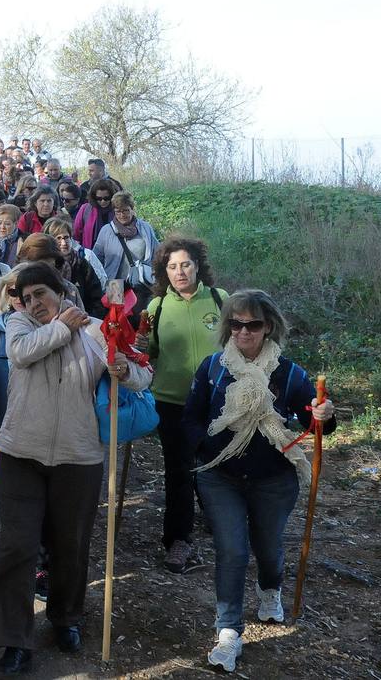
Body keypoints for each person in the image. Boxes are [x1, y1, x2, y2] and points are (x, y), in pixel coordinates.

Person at [0, 263, 152, 674]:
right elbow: (22, 355)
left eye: (40, 294)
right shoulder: (18, 326)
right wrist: (62, 325)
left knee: (71, 544)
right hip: (20, 453)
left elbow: (142, 374)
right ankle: (14, 640)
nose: (33, 303)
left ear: (59, 291)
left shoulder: (98, 330)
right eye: (26, 298)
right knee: (17, 546)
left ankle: (65, 617)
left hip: (79, 456)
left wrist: (124, 369)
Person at [183, 290, 336, 673]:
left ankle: (270, 589)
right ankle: (228, 631)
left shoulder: (289, 373)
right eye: (235, 324)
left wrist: (324, 414)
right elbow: (190, 418)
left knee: (267, 548)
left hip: (274, 479)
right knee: (232, 550)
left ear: (268, 327)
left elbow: (316, 422)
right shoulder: (213, 368)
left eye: (252, 324)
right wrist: (207, 446)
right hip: (221, 475)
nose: (243, 332)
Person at [132, 237, 229, 574]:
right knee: (179, 471)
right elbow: (147, 356)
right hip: (171, 402)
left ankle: (220, 518)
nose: (180, 272)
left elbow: (239, 345)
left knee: (217, 464)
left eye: (185, 264)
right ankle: (178, 540)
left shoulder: (220, 300)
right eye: (172, 266)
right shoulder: (156, 307)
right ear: (164, 271)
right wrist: (139, 345)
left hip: (218, 401)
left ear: (198, 265)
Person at [92, 191, 160, 311]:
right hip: (114, 284)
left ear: (132, 209)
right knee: (116, 317)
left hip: (140, 281)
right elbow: (96, 259)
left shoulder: (145, 228)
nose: (122, 215)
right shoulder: (106, 231)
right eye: (118, 211)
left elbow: (157, 254)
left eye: (125, 210)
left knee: (141, 316)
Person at [43, 217, 108, 316]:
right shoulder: (44, 268)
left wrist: (90, 317)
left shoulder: (82, 264)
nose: (64, 243)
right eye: (58, 238)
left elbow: (96, 296)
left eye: (66, 237)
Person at [72, 177, 118, 250]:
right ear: (94, 197)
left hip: (114, 251)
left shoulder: (118, 210)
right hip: (90, 252)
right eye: (99, 198)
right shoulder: (86, 209)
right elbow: (76, 234)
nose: (103, 201)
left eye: (106, 198)